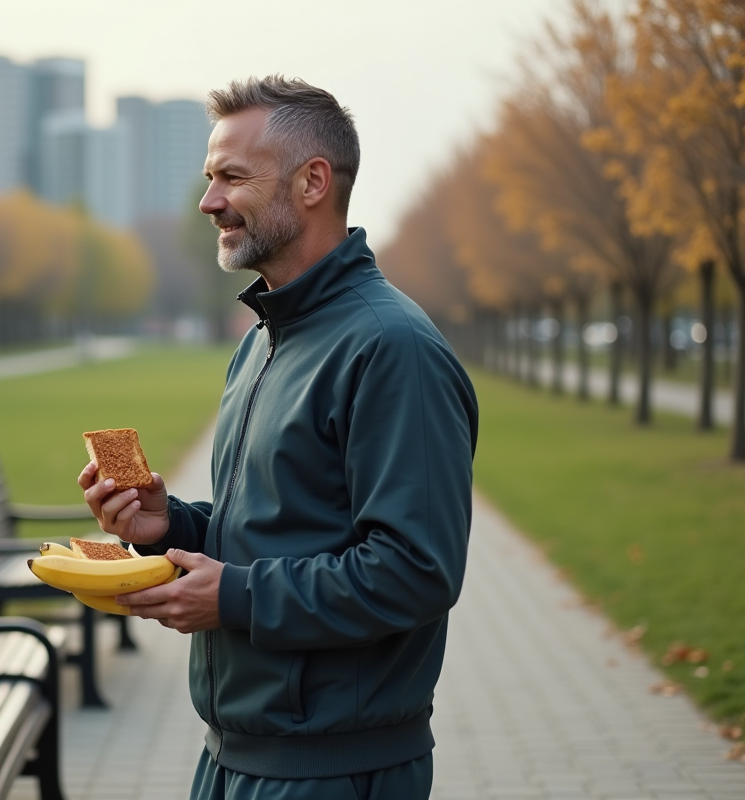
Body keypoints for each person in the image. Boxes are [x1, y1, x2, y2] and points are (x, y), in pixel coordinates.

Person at [78, 75, 478, 800]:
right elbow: (282, 529)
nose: (208, 201)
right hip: (234, 759)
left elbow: (415, 570)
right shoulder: (265, 340)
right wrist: (170, 524)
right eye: (208, 178)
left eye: (232, 177)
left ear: (312, 182)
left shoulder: (391, 348)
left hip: (332, 774)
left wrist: (236, 598)